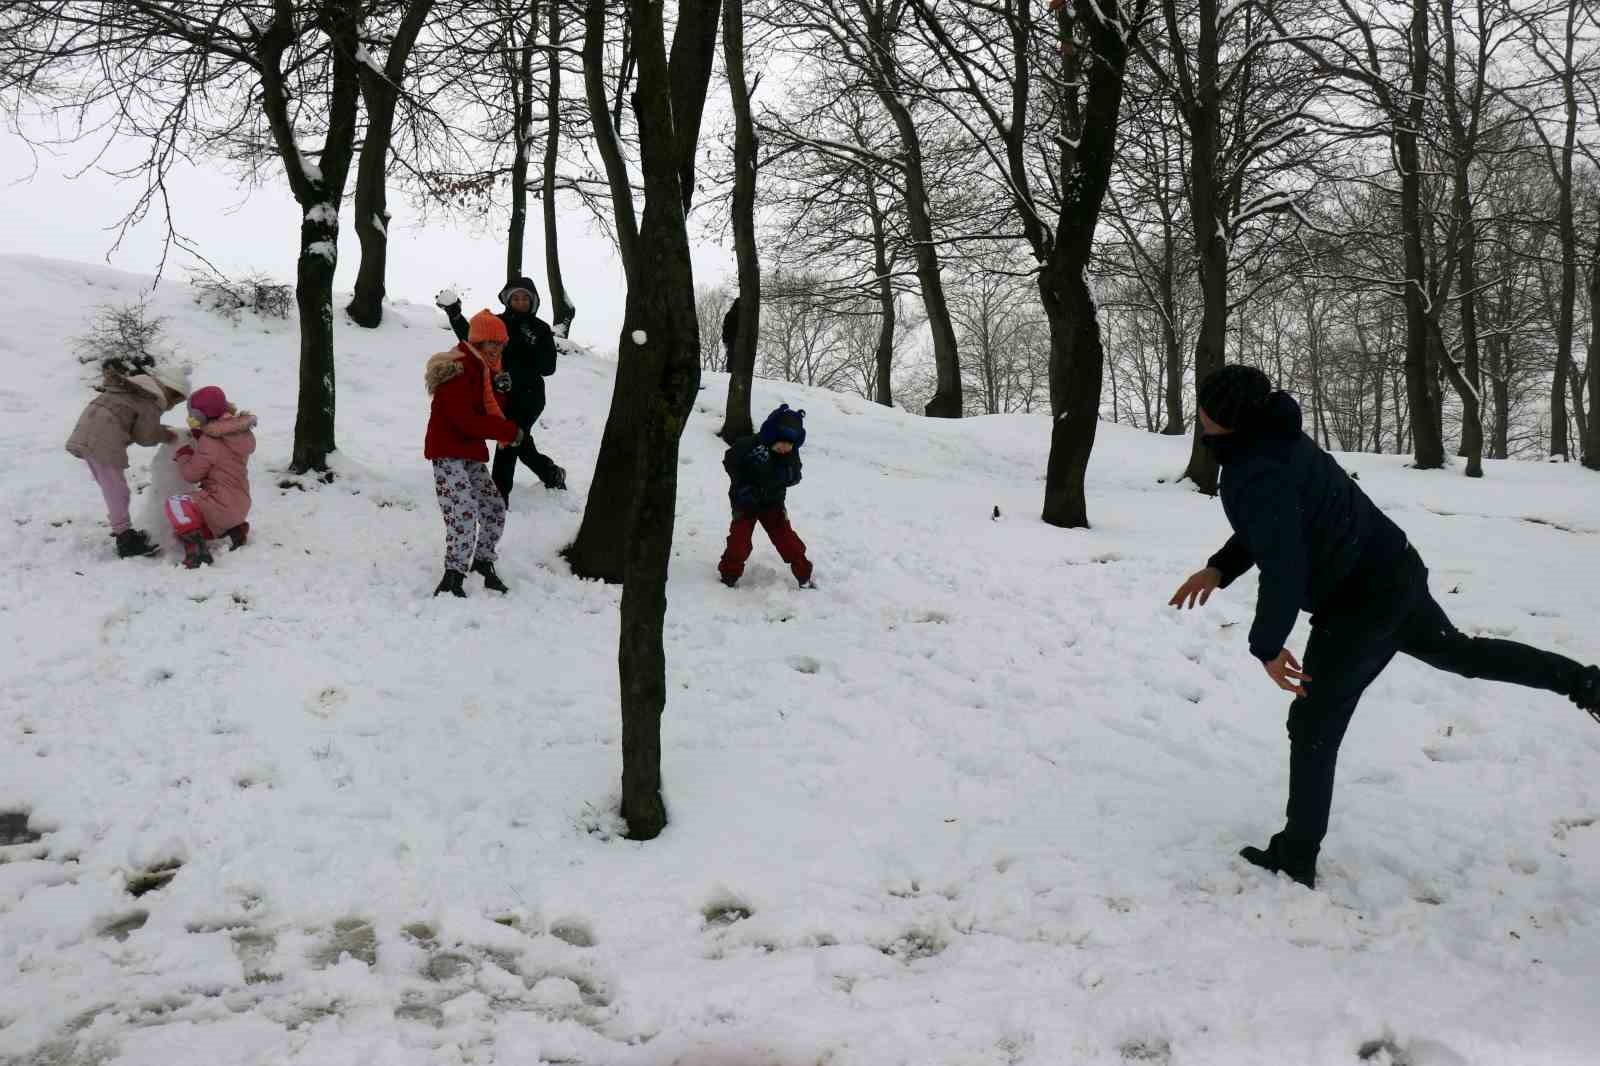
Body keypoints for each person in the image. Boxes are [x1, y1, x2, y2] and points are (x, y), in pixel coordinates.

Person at [1170, 365, 1600, 889]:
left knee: (1312, 727)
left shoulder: (1256, 468)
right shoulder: (1276, 440)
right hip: (1392, 569)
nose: (1200, 414)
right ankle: (1585, 683)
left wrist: (1267, 645)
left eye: (1207, 408)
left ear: (1229, 420)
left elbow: (1284, 563)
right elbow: (1281, 527)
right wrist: (1219, 567)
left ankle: (1297, 855)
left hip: (1361, 603)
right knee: (1460, 654)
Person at [425, 309, 525, 597]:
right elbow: (464, 419)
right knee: (463, 513)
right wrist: (508, 432)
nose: (496, 348)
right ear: (478, 342)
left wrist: (501, 390)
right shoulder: (459, 368)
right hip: (448, 451)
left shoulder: (485, 371)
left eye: (500, 343)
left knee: (493, 508)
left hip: (469, 451)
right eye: (491, 342)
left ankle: (483, 562)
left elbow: (490, 409)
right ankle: (453, 575)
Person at [437, 277, 566, 500]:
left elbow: (548, 368)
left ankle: (497, 496)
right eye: (515, 297)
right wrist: (455, 316)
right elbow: (472, 341)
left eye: (525, 298)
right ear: (508, 299)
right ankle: (551, 473)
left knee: (508, 439)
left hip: (529, 396)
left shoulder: (540, 329)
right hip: (500, 393)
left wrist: (529, 346)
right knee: (520, 442)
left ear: (533, 301)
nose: (520, 302)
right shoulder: (496, 322)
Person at [66, 363, 188, 558]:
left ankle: (123, 532)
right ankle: (125, 540)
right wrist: (167, 435)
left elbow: (133, 423)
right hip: (102, 438)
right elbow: (145, 436)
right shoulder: (152, 399)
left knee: (111, 486)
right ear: (171, 393)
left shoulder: (136, 389)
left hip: (87, 431)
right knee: (117, 490)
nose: (172, 407)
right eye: (176, 402)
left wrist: (159, 429)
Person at [719, 404, 814, 589]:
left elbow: (796, 476)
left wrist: (786, 472)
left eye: (790, 445)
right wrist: (744, 480)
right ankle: (728, 575)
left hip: (773, 503)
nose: (785, 448)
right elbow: (730, 460)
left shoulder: (790, 455)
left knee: (787, 541)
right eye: (781, 443)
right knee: (739, 542)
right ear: (771, 436)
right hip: (745, 502)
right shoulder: (751, 445)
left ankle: (804, 575)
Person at [165, 386, 258, 569]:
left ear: (199, 416)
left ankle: (197, 550)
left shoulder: (210, 442)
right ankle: (235, 529)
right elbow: (222, 454)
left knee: (176, 504)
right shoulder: (241, 433)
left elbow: (191, 475)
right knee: (187, 524)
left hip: (220, 507)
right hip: (242, 505)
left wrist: (184, 455)